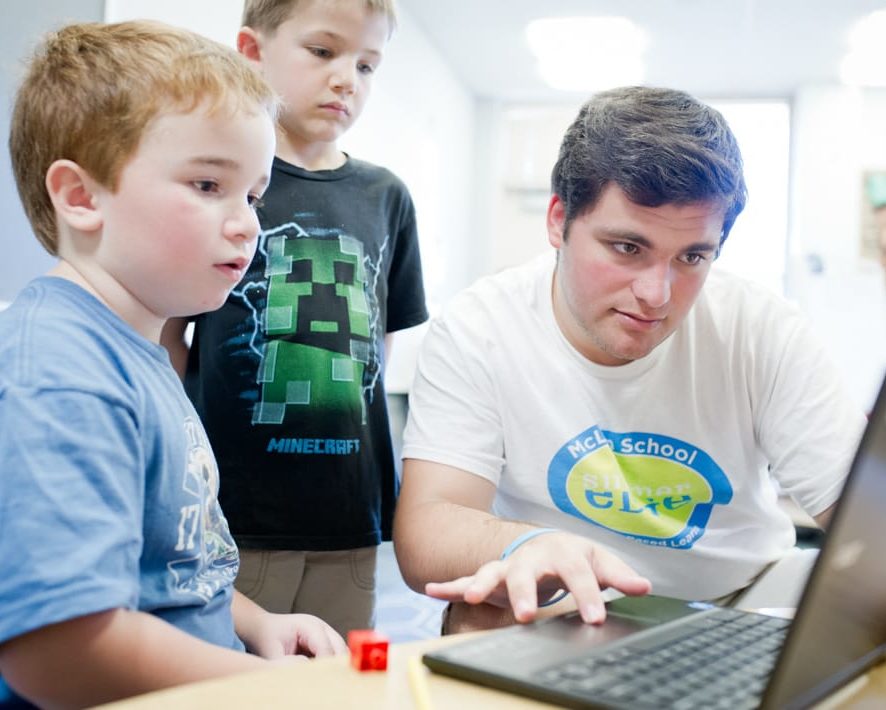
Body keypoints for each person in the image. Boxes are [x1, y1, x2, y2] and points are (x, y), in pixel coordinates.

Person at [393, 86, 868, 634]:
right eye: (627, 248)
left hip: (737, 599)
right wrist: (531, 545)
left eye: (692, 256)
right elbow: (427, 528)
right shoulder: (481, 326)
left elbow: (863, 521)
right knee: (481, 612)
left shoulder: (763, 328)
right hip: (567, 604)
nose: (657, 294)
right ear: (558, 220)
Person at [0, 21, 347, 709]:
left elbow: (172, 570)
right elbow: (56, 649)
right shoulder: (61, 369)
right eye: (209, 184)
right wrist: (282, 694)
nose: (248, 222)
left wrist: (257, 624)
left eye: (253, 195)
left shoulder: (141, 350)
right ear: (80, 196)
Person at [161, 0, 427, 638]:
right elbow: (170, 337)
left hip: (348, 514)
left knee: (332, 680)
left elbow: (377, 345)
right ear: (252, 52)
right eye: (322, 51)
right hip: (237, 513)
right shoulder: (226, 187)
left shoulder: (385, 197)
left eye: (367, 64)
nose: (347, 79)